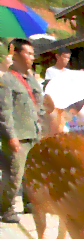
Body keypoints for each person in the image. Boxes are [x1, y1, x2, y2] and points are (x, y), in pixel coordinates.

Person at [0, 39, 44, 222]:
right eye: (28, 54)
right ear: (16, 54)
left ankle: (30, 203)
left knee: (32, 174)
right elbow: (4, 111)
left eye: (33, 54)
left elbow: (38, 106)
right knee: (14, 175)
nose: (32, 58)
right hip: (18, 135)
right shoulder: (7, 80)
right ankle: (6, 209)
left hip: (33, 133)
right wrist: (10, 136)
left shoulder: (30, 79)